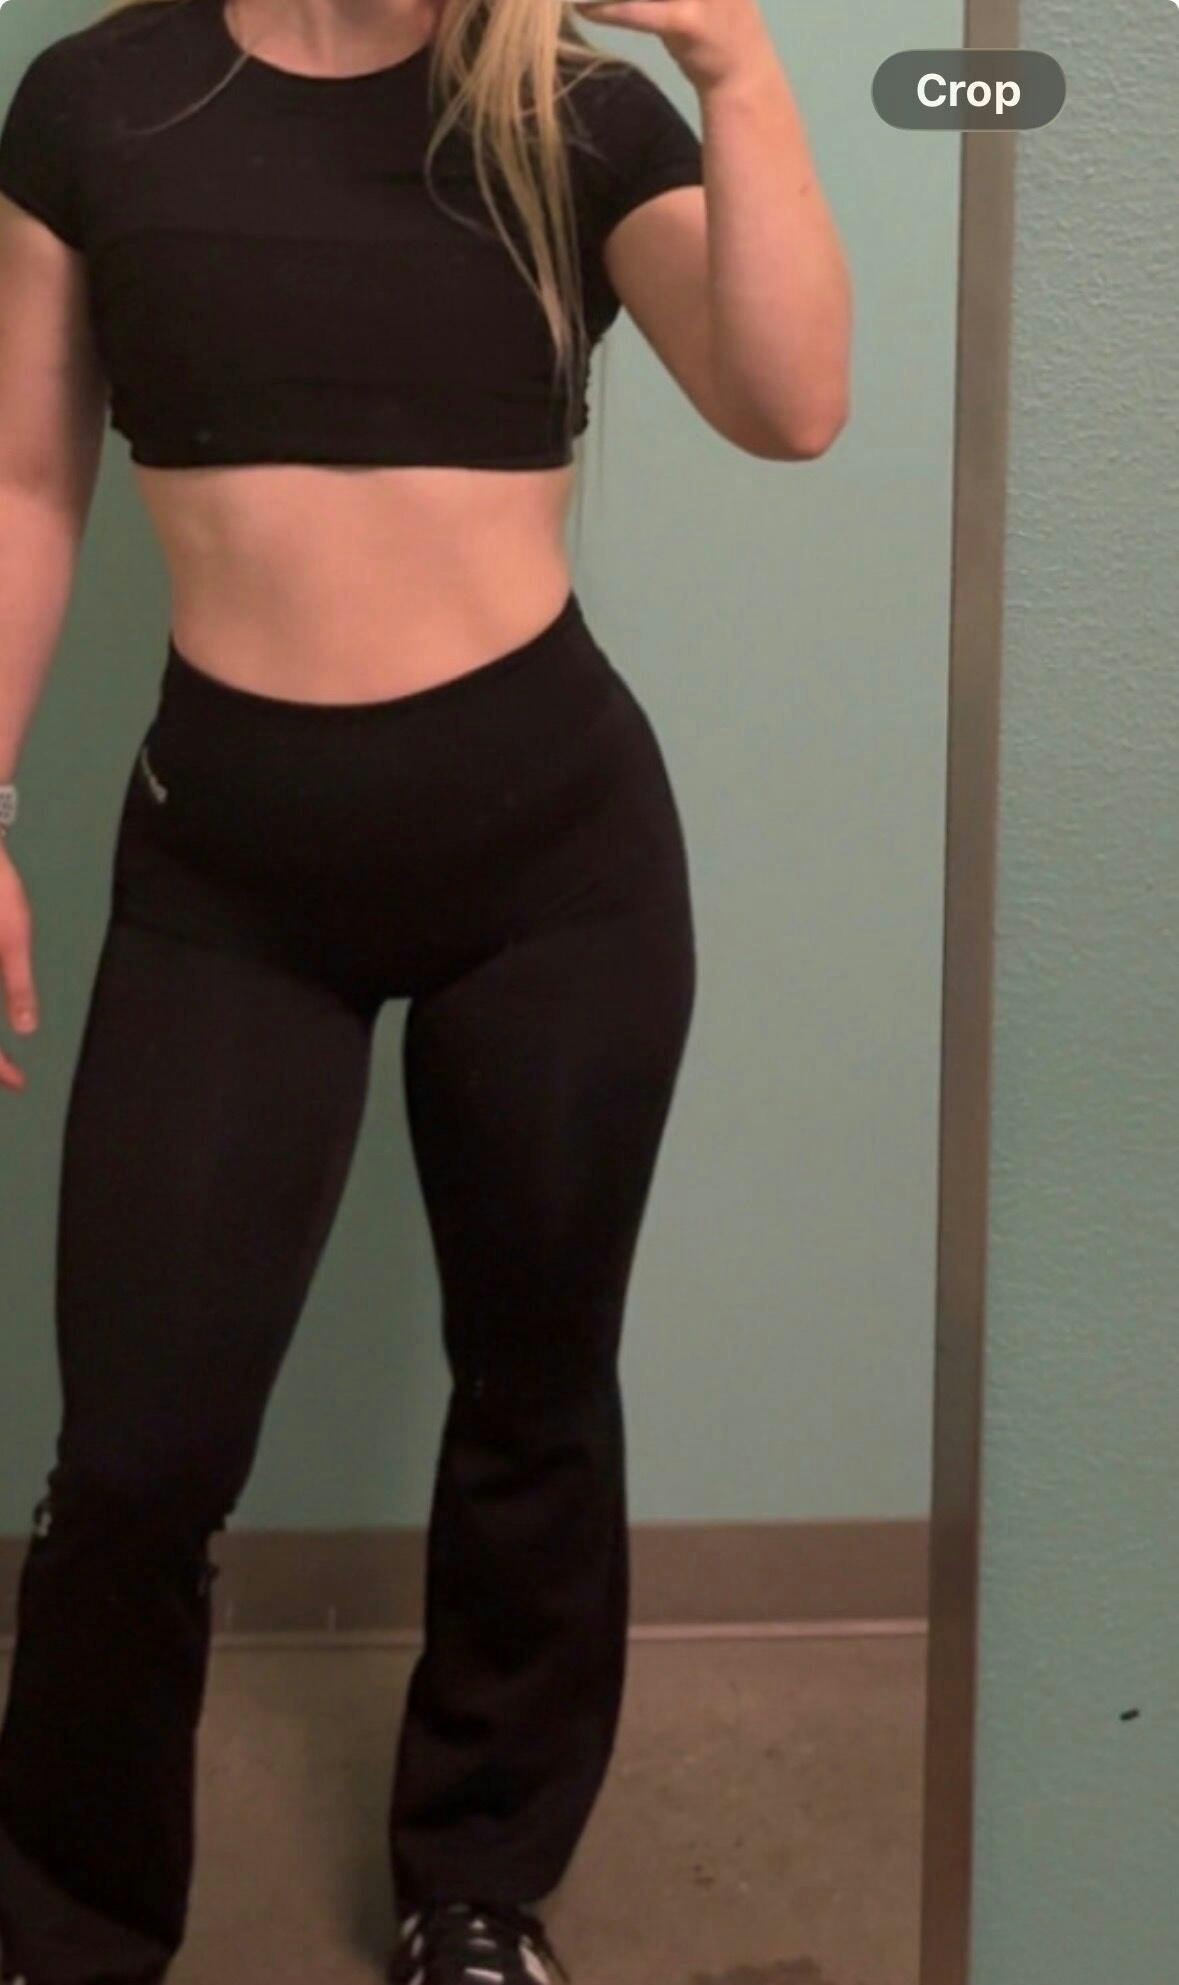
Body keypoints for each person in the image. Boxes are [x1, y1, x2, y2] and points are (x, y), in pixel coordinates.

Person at [0, 0, 851, 1979]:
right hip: (228, 884)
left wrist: (736, 66)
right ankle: (68, 1926)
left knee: (535, 1394)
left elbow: (791, 400)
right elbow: (25, 485)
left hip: (552, 874)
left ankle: (475, 1886)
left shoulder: (569, 115)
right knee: (134, 1455)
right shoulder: (97, 106)